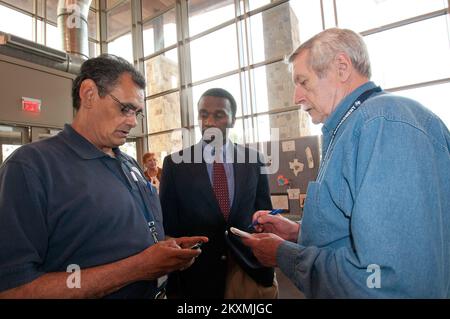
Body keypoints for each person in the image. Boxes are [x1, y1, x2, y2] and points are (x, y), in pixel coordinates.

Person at [241, 28, 450, 298]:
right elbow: (361, 233)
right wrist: (298, 233)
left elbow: (383, 279)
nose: (296, 98)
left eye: (303, 82)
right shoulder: (355, 128)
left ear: (341, 67)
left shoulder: (383, 125)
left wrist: (285, 255)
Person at [0, 54, 207, 299]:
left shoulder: (128, 162)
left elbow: (126, 235)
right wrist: (138, 268)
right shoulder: (30, 167)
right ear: (88, 94)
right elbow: (15, 289)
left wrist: (167, 248)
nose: (132, 122)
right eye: (125, 108)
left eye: (137, 112)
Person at [159, 88, 277, 299]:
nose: (209, 121)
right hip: (196, 279)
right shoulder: (175, 165)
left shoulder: (254, 160)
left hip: (248, 271)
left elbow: (264, 214)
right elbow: (168, 226)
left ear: (232, 119)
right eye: (204, 114)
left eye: (219, 115)